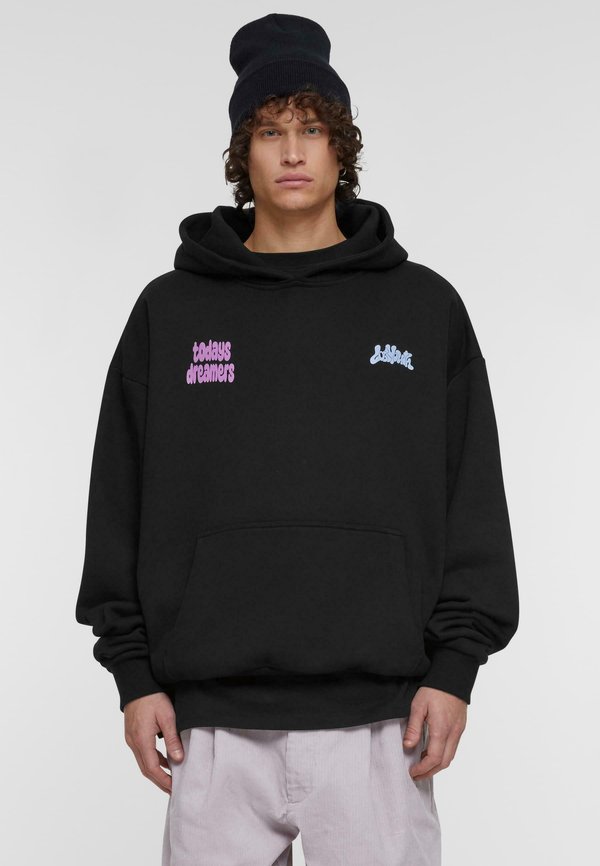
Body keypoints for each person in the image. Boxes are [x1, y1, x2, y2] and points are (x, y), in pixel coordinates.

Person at [75, 13, 519, 866]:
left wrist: (456, 666)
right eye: (269, 131)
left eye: (312, 129)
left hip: (382, 723)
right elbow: (117, 501)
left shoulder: (422, 308)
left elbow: (472, 496)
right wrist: (132, 675)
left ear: (342, 148)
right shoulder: (171, 312)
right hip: (212, 725)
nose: (291, 152)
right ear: (241, 154)